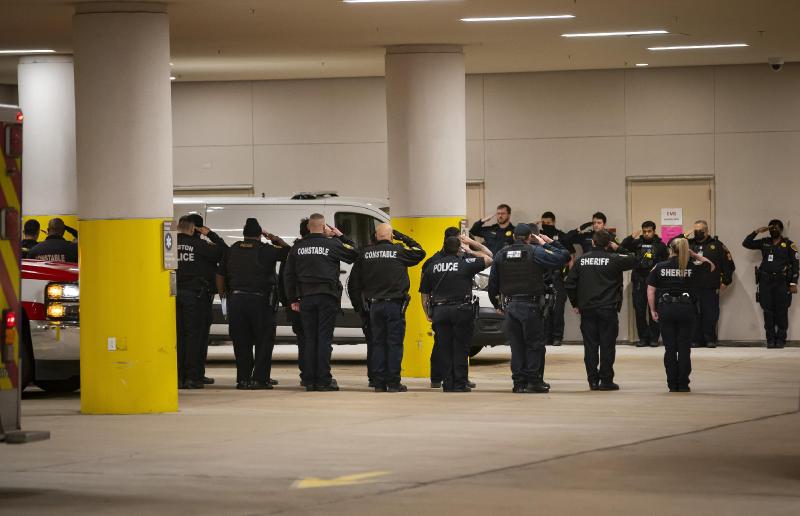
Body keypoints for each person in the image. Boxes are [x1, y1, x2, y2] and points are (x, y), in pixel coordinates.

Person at [488, 224, 570, 393]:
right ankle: (534, 382)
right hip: (530, 306)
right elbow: (564, 257)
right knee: (534, 345)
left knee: (516, 346)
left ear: (513, 237)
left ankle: (519, 383)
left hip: (510, 306)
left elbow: (492, 285)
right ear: (530, 238)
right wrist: (547, 243)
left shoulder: (501, 254)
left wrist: (498, 305)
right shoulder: (534, 252)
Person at [284, 213, 358, 391]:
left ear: (309, 227)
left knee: (309, 339)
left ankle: (309, 380)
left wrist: (292, 299)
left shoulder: (298, 247)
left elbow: (289, 275)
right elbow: (355, 254)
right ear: (324, 227)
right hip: (327, 297)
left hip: (306, 298)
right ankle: (323, 380)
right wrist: (340, 236)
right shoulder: (332, 244)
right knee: (324, 339)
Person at [349, 223, 426, 392]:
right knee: (394, 344)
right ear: (392, 236)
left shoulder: (365, 254)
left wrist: (359, 308)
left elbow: (353, 283)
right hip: (395, 306)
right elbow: (420, 252)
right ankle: (393, 382)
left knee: (377, 344)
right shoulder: (399, 252)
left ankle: (378, 382)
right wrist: (403, 237)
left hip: (374, 306)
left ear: (375, 237)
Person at [217, 218, 289, 390]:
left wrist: (224, 297)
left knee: (241, 341)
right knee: (264, 340)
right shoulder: (267, 250)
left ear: (244, 234)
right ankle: (260, 379)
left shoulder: (232, 249)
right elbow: (289, 252)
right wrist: (274, 238)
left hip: (236, 301)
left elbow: (219, 275)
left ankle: (243, 379)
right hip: (261, 302)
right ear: (259, 235)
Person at [565, 230, 637, 391]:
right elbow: (635, 259)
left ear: (592, 242)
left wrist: (575, 303)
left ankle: (592, 381)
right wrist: (618, 248)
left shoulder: (581, 260)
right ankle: (606, 380)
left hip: (587, 309)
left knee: (590, 346)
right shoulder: (614, 259)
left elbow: (570, 283)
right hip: (608, 309)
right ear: (608, 244)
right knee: (607, 345)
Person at [421, 236, 493, 392]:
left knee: (444, 348)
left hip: (440, 311)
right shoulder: (464, 263)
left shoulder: (432, 266)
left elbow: (425, 293)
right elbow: (488, 258)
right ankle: (459, 383)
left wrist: (427, 312)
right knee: (461, 348)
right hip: (461, 310)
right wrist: (470, 248)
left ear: (444, 248)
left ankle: (448, 383)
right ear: (458, 249)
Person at [647, 237, 715, 392]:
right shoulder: (692, 266)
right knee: (684, 348)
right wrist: (694, 255)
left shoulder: (660, 267)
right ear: (686, 250)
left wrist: (652, 310)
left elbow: (650, 290)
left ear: (670, 249)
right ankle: (683, 384)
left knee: (670, 348)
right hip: (686, 310)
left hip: (666, 309)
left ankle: (672, 384)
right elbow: (711, 266)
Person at [176, 216, 225, 389]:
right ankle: (192, 377)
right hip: (196, 298)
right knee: (194, 337)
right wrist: (211, 234)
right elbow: (225, 252)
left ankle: (178, 376)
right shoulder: (200, 246)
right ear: (194, 229)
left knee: (178, 336)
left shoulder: (169, 246)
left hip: (173, 297)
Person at [742, 220, 799, 348]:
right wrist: (757, 231)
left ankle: (781, 340)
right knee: (767, 310)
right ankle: (770, 340)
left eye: (776, 228)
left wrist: (793, 283)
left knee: (782, 311)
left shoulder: (789, 245)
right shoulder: (765, 242)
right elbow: (746, 243)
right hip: (765, 281)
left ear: (781, 229)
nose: (774, 230)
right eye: (771, 228)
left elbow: (796, 265)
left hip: (782, 282)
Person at [687, 220, 735, 348]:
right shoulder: (688, 244)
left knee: (710, 314)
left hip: (710, 286)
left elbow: (729, 265)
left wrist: (726, 281)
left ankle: (710, 339)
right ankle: (695, 339)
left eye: (700, 231)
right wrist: (683, 236)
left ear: (707, 231)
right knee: (693, 313)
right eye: (695, 230)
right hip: (691, 286)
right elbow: (672, 247)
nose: (697, 233)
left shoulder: (717, 245)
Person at [621, 221, 669, 347]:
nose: (647, 234)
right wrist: (632, 236)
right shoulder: (637, 243)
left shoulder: (661, 245)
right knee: (639, 310)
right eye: (644, 231)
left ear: (654, 231)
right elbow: (623, 246)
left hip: (655, 282)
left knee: (654, 310)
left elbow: (666, 262)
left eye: (649, 231)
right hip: (639, 280)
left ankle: (654, 338)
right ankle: (643, 337)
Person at [279, 218, 310, 385]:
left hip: (296, 303)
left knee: (303, 341)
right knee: (316, 339)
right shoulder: (319, 249)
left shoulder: (293, 251)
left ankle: (306, 375)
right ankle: (314, 374)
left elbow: (284, 279)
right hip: (311, 302)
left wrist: (288, 303)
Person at [539, 211, 569, 346]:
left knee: (557, 309)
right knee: (544, 308)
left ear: (554, 222)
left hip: (558, 276)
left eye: (548, 223)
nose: (546, 225)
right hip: (543, 276)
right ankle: (546, 336)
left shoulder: (560, 236)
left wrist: (568, 274)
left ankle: (557, 337)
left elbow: (570, 256)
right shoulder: (537, 236)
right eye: (543, 223)